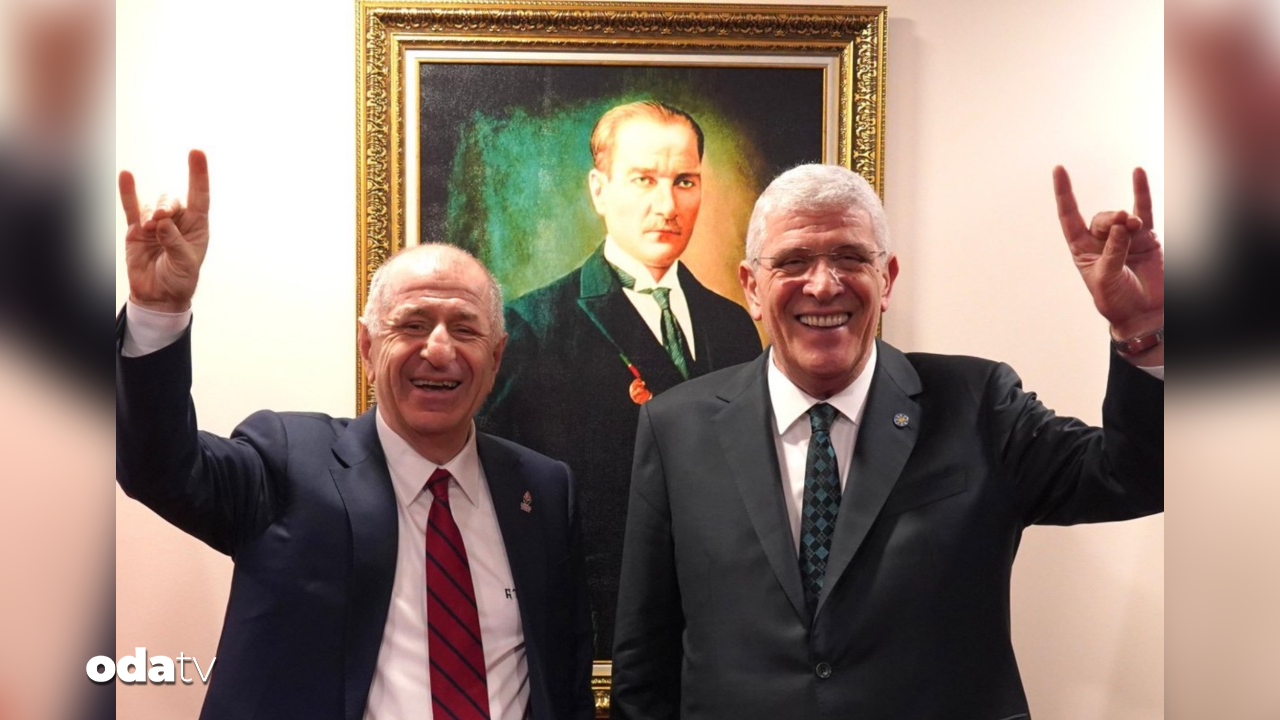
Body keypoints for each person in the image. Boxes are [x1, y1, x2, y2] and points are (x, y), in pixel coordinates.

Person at [610, 163, 1164, 719]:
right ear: (752, 287)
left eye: (850, 257)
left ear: (887, 279)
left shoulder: (978, 405)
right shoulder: (676, 428)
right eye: (793, 261)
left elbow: (1138, 477)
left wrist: (1142, 333)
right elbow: (645, 665)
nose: (823, 285)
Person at [116, 151, 594, 720]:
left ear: (495, 358)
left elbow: (564, 674)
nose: (438, 349)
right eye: (413, 324)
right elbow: (159, 469)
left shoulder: (543, 490)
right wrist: (159, 311)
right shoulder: (287, 460)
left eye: (465, 329)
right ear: (368, 347)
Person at [477, 100, 761, 657]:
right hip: (592, 626)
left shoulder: (733, 325)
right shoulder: (533, 326)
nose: (667, 205)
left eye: (684, 181)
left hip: (716, 627)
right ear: (599, 190)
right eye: (643, 179)